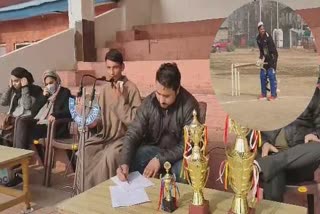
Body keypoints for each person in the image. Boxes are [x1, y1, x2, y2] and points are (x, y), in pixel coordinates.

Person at [116, 62, 200, 183]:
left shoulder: (189, 106)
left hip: (179, 155)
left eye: (166, 96)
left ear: (177, 90)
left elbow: (188, 145)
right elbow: (133, 133)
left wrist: (159, 160)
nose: (161, 100)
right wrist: (124, 163)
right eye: (158, 93)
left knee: (182, 171)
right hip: (156, 149)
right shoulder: (149, 103)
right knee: (138, 155)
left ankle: (174, 201)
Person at [75, 49, 142, 191]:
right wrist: (89, 119)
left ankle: (104, 194)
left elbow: (134, 122)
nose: (112, 72)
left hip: (124, 138)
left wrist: (121, 100)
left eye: (116, 67)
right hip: (105, 135)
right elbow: (99, 117)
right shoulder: (104, 89)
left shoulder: (131, 89)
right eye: (109, 68)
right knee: (86, 149)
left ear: (122, 67)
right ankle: (85, 193)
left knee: (109, 156)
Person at [6, 70, 72, 187]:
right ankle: (18, 162)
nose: (49, 86)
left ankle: (17, 164)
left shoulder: (64, 92)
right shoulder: (45, 93)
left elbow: (69, 111)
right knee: (20, 121)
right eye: (46, 84)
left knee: (18, 131)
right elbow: (34, 111)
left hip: (54, 127)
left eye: (51, 82)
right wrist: (43, 97)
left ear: (57, 81)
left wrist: (56, 114)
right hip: (42, 124)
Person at [256, 84, 320, 202]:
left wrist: (316, 135)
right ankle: (269, 163)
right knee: (272, 170)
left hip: (300, 160)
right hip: (271, 155)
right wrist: (264, 143)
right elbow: (252, 127)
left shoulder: (313, 94)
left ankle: (266, 164)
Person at [0, 67, 42, 145]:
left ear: (24, 80)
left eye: (16, 81)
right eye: (12, 81)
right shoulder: (13, 90)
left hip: (26, 120)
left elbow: (27, 106)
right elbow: (3, 102)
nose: (13, 83)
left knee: (14, 125)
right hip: (13, 119)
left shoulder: (34, 90)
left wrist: (24, 87)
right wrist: (9, 88)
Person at [256, 21, 278, 101]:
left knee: (271, 74)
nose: (263, 30)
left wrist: (269, 61)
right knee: (262, 74)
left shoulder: (268, 37)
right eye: (261, 29)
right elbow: (262, 50)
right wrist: (260, 59)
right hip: (266, 57)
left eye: (263, 28)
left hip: (272, 56)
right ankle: (263, 94)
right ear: (258, 30)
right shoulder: (258, 39)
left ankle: (273, 95)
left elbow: (270, 50)